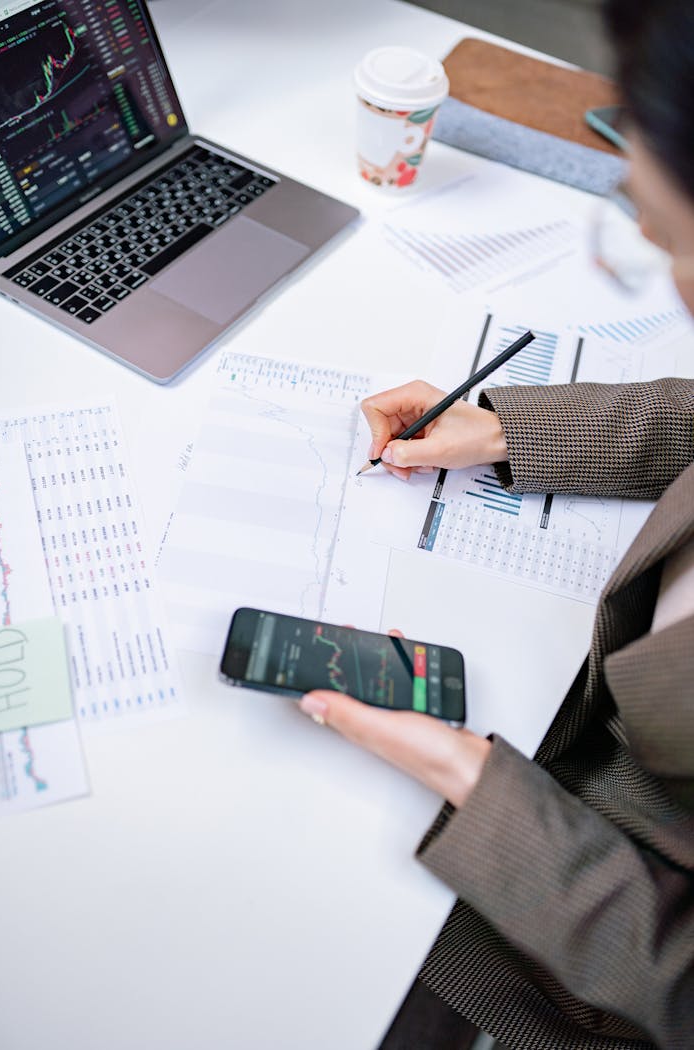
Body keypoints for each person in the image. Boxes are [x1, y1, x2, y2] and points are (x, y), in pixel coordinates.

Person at [298, 1, 694, 1047]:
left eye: (678, 246)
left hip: (589, 936)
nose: (678, 295)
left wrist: (477, 787)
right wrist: (501, 432)